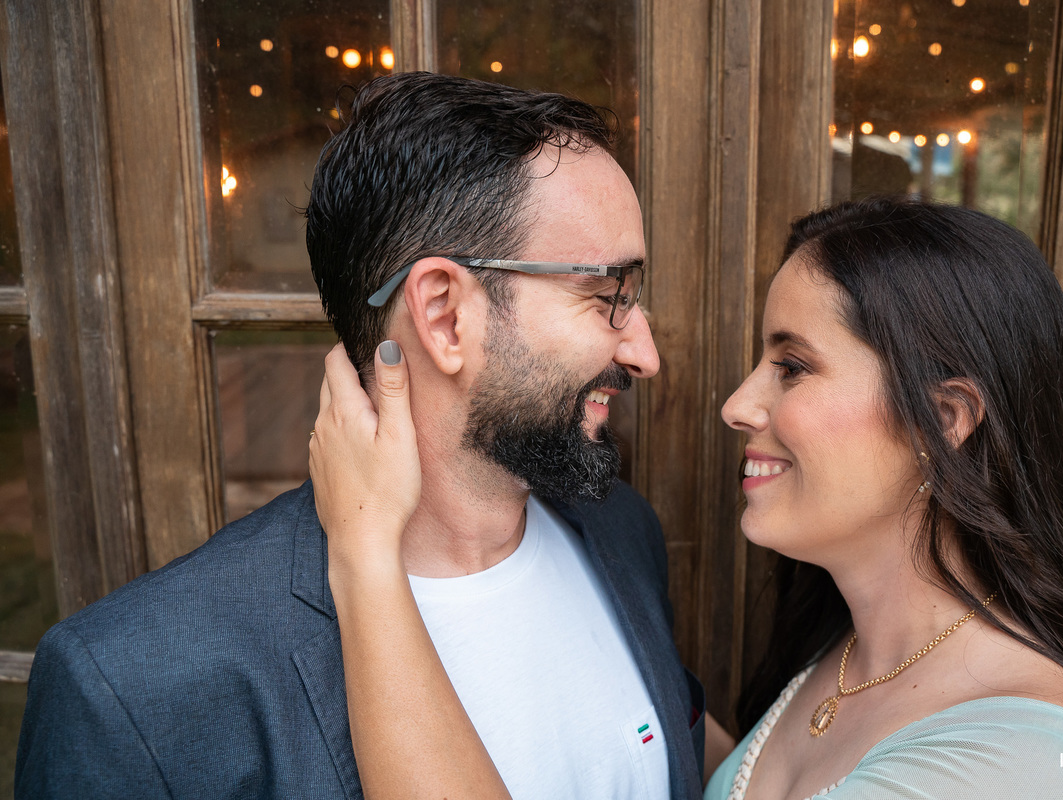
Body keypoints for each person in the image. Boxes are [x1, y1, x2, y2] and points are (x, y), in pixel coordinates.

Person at [15, 73, 707, 799]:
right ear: (444, 315)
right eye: (607, 295)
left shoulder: (623, 531)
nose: (645, 354)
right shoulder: (133, 691)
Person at [312, 198, 1063, 799]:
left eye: (793, 366)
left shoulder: (1022, 764)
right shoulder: (841, 662)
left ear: (946, 419)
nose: (738, 405)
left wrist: (364, 552)